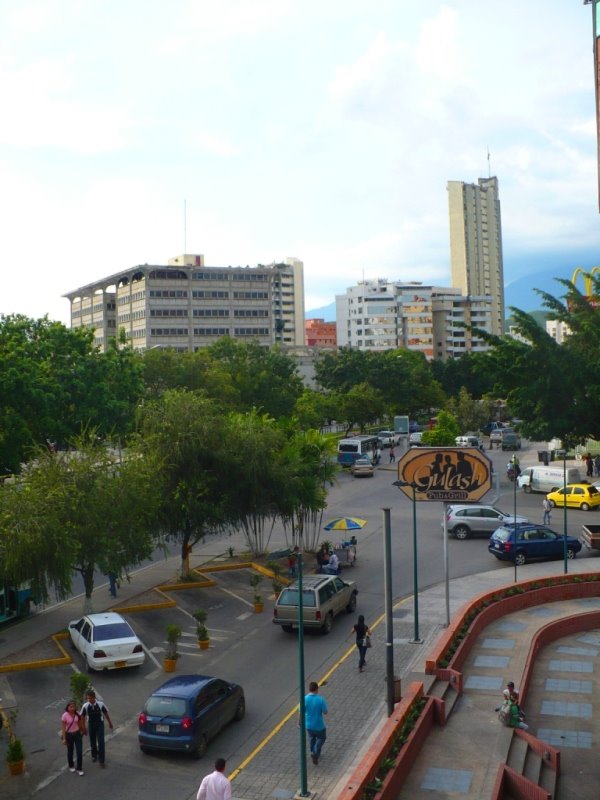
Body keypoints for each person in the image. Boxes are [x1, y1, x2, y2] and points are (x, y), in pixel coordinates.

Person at [81, 690, 113, 767]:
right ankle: (94, 755)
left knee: (101, 742)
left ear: (94, 697)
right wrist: (84, 728)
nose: (89, 700)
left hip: (99, 724)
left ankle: (102, 761)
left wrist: (110, 723)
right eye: (88, 698)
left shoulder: (100, 704)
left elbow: (105, 713)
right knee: (92, 741)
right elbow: (82, 717)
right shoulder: (85, 706)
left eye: (90, 698)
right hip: (91, 724)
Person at [302, 681, 328, 765]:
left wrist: (299, 722)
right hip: (319, 725)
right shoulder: (320, 699)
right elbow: (325, 712)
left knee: (312, 738)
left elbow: (300, 710)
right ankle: (315, 753)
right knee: (321, 738)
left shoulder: (304, 699)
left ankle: (314, 752)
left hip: (309, 725)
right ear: (317, 689)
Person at [61, 700, 85, 776]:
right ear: (67, 707)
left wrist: (82, 731)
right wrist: (64, 738)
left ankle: (79, 768)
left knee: (79, 752)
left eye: (73, 707)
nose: (72, 708)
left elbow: (80, 723)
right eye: (70, 707)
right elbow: (63, 728)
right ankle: (71, 765)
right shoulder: (64, 715)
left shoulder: (77, 714)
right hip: (69, 735)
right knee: (70, 751)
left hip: (77, 734)